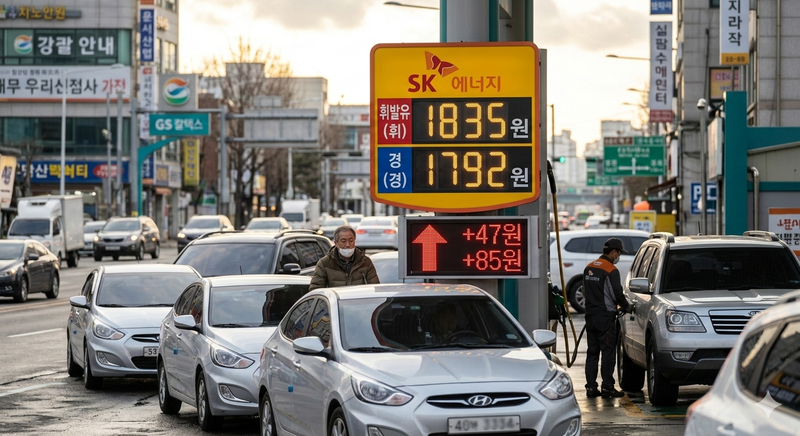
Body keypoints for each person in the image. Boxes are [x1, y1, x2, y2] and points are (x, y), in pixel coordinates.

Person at [583, 237, 632, 399]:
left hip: (590, 317)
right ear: (613, 252)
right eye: (619, 253)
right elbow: (617, 294)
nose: (619, 257)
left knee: (592, 352)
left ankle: (591, 387)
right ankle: (607, 387)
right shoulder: (610, 270)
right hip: (606, 317)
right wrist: (628, 306)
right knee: (608, 352)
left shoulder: (589, 267)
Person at [310, 225, 380, 291]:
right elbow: (316, 290)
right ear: (336, 243)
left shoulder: (365, 262)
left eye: (351, 241)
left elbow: (375, 288)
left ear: (355, 241)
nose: (347, 245)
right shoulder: (325, 264)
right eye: (343, 241)